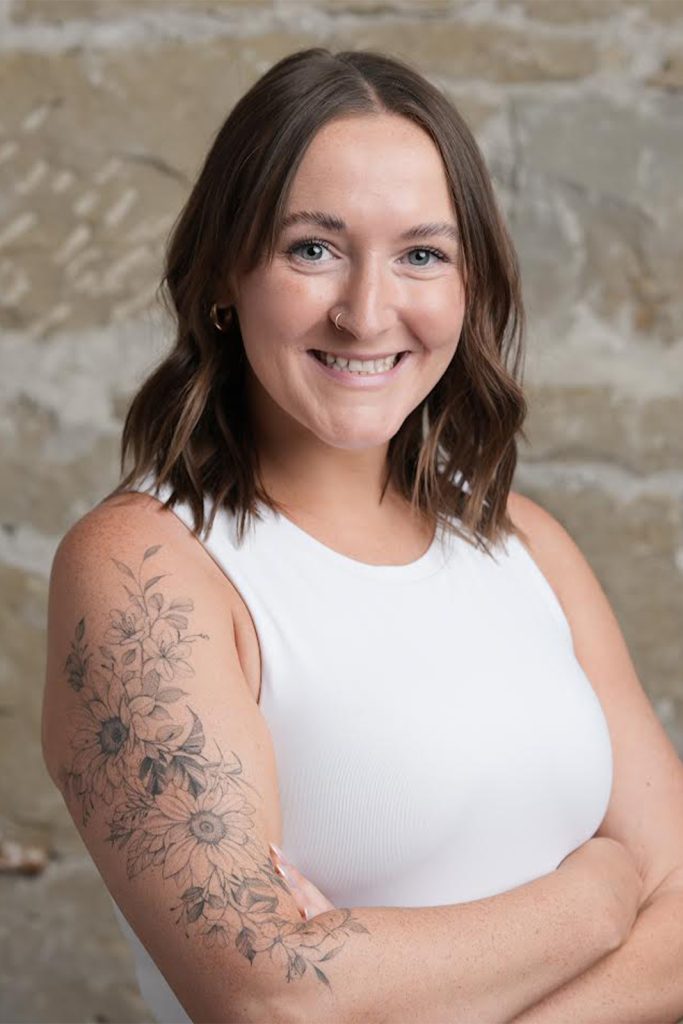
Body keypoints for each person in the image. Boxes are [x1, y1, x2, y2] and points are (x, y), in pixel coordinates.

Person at [40, 47, 683, 1024]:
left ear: (468, 282)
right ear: (226, 270)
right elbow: (268, 998)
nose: (366, 311)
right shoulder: (144, 570)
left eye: (420, 253)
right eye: (313, 248)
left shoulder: (525, 545)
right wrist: (591, 897)